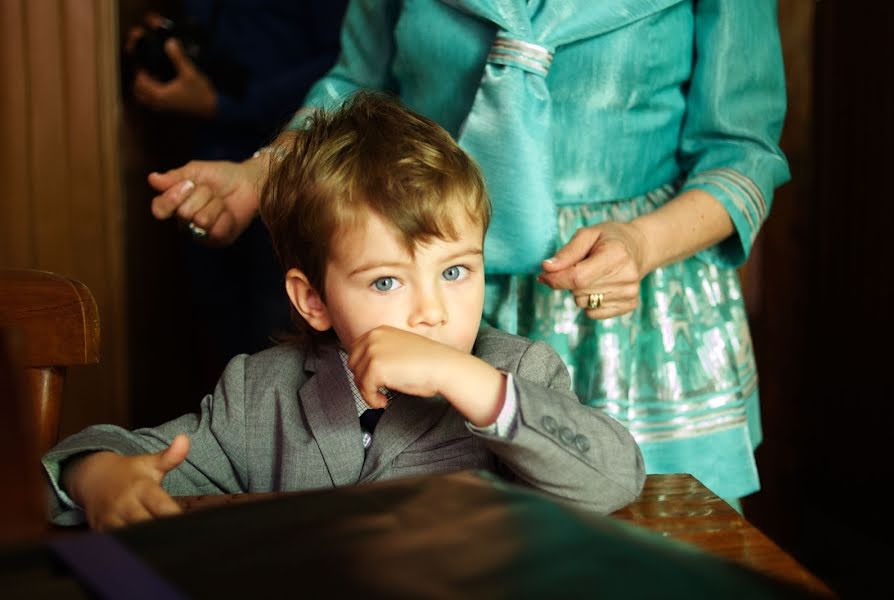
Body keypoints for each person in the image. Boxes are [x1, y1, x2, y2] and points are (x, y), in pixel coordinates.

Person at [147, 1, 789, 507]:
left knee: (653, 552)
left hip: (625, 300)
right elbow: (352, 85)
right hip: (433, 253)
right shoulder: (267, 397)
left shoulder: (523, 361)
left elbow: (743, 148)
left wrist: (643, 243)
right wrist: (261, 175)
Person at [42, 92, 646, 530]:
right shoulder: (260, 398)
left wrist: (471, 383)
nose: (431, 311)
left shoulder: (516, 376)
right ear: (313, 300)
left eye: (456, 272)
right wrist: (94, 476)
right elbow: (122, 458)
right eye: (387, 282)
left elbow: (615, 477)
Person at [125, 1, 348, 383]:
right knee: (217, 334)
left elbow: (347, 72)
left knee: (279, 342)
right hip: (220, 168)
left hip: (300, 177)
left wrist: (224, 105)